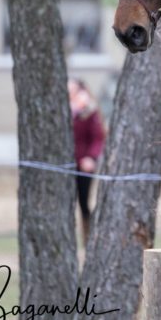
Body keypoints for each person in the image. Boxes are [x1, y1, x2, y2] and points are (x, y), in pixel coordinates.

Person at [68, 78, 105, 241]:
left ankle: (87, 238)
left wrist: (91, 157)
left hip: (83, 165)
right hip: (65, 166)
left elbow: (98, 137)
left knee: (84, 203)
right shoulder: (62, 110)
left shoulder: (88, 110)